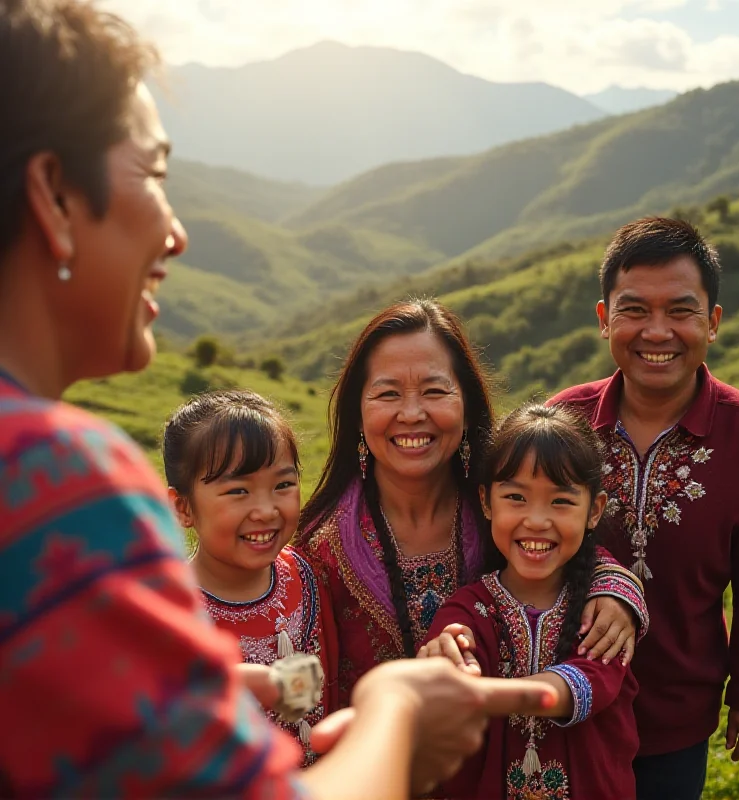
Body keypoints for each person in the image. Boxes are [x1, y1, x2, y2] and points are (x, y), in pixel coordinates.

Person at [0, 2, 562, 797]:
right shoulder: (46, 477)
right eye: (156, 176)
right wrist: (399, 717)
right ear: (55, 196)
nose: (176, 232)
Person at [549, 217, 739, 800]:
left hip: (677, 719)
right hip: (565, 699)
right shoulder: (564, 421)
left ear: (712, 323)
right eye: (634, 310)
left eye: (680, 311)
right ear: (605, 318)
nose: (656, 331)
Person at [297, 299, 649, 707]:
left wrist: (616, 591)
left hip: (496, 761)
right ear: (358, 413)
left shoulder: (502, 505)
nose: (412, 413)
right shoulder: (322, 550)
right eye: (387, 393)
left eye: (434, 391)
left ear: (466, 406)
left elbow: (568, 540)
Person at [420, 403, 641, 800]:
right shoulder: (469, 608)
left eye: (560, 501)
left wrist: (486, 695)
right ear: (487, 503)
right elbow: (451, 659)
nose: (536, 520)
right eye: (516, 497)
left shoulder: (604, 611)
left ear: (595, 511)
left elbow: (588, 686)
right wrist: (448, 664)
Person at [163, 389, 339, 764]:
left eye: (283, 485)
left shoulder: (305, 573)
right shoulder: (173, 615)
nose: (266, 510)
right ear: (182, 507)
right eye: (238, 490)